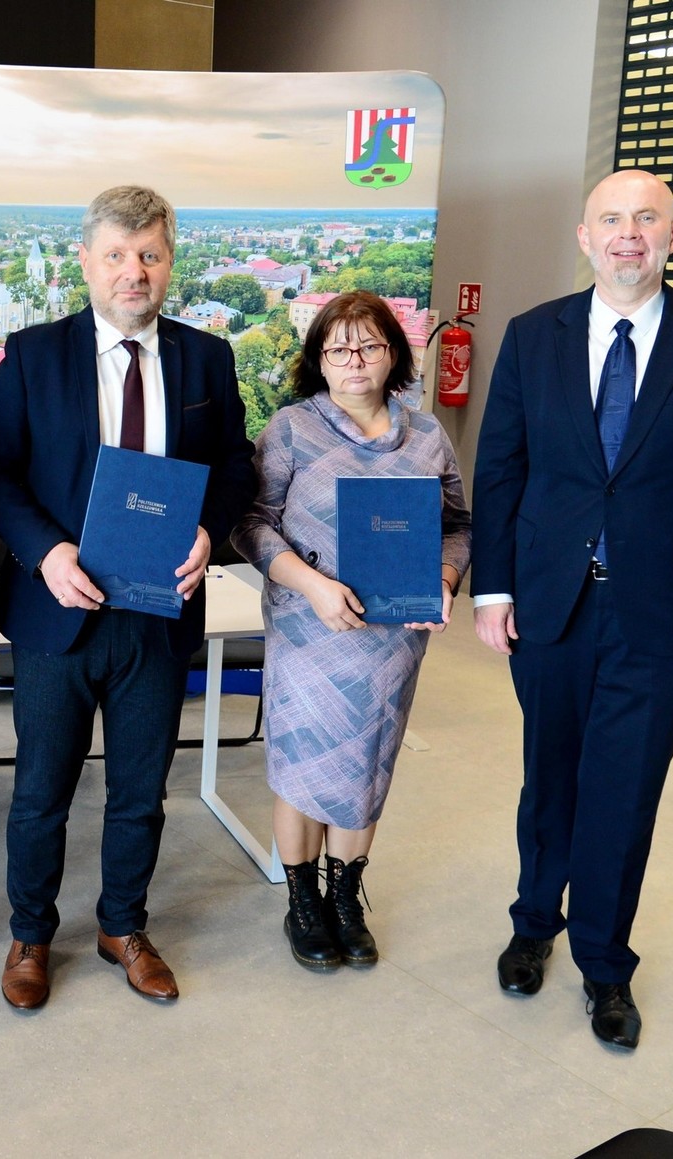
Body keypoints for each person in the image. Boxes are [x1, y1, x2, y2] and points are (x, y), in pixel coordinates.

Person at [472, 169, 673, 1050]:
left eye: (646, 218)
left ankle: (604, 962)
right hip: (549, 601)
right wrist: (493, 587)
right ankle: (534, 922)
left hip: (662, 610)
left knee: (625, 788)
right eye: (611, 218)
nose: (628, 233)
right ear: (585, 236)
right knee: (548, 773)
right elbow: (501, 468)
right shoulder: (534, 334)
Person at [0, 185, 257, 1008]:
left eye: (150, 255)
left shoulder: (208, 358)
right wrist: (45, 552)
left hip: (159, 613)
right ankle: (31, 934)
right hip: (58, 611)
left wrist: (209, 530)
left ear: (170, 261)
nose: (135, 271)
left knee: (140, 790)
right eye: (118, 255)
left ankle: (123, 925)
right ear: (87, 261)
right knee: (41, 792)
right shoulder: (33, 353)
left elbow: (235, 463)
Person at [232, 290, 471, 971]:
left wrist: (444, 580)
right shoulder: (290, 430)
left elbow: (458, 526)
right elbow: (250, 523)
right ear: (318, 360)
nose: (355, 359)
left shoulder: (427, 435)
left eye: (368, 345)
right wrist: (313, 585)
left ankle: (345, 899)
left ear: (393, 353)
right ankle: (303, 902)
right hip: (308, 630)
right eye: (338, 348)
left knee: (367, 763)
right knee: (302, 764)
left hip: (394, 639)